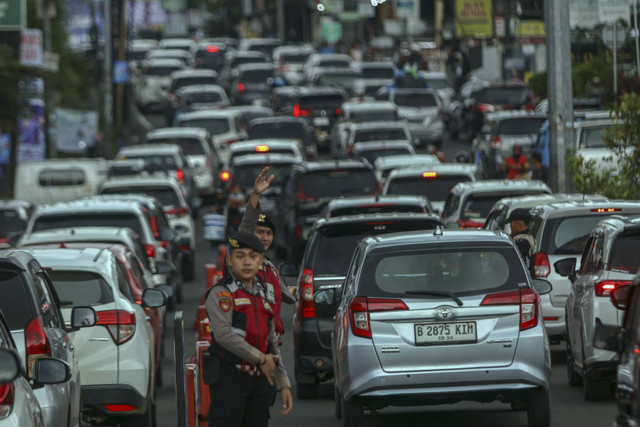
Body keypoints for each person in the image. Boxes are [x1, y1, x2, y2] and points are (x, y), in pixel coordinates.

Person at [204, 231, 293, 426]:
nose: (247, 262)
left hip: (260, 383)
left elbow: (271, 343)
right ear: (229, 260)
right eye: (240, 256)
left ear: (261, 260)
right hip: (230, 380)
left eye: (253, 257)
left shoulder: (263, 294)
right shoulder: (221, 293)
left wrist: (283, 383)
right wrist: (260, 359)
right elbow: (223, 335)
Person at [239, 167, 297, 346]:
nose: (265, 237)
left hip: (272, 346)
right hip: (252, 346)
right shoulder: (244, 262)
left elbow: (284, 294)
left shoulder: (269, 266)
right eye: (260, 232)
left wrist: (295, 291)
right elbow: (246, 227)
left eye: (269, 233)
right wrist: (255, 196)